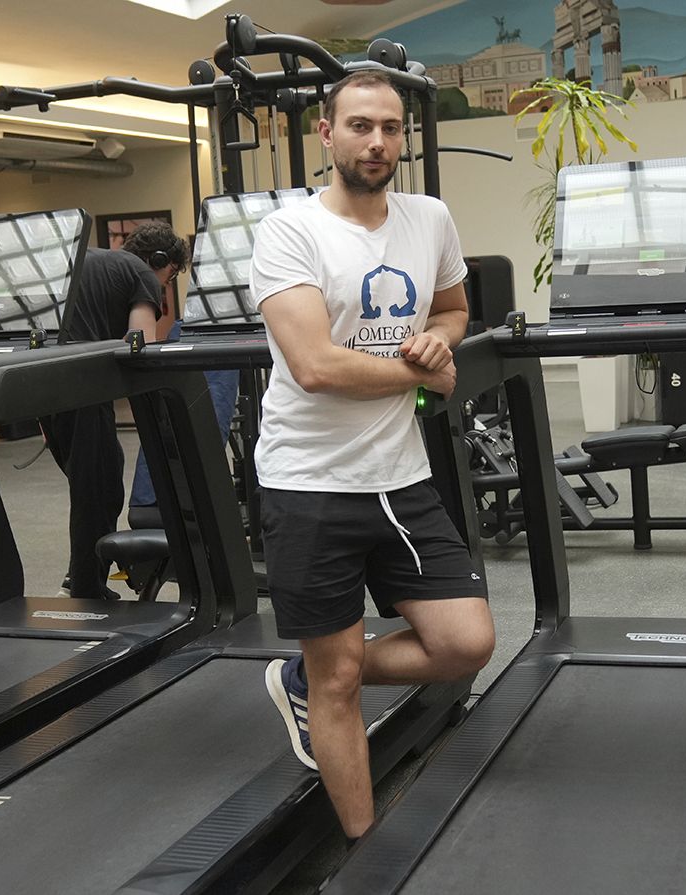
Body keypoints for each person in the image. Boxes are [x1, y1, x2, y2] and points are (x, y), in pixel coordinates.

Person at [252, 69, 495, 839]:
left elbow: (455, 306)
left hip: (400, 476)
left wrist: (438, 339)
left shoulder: (430, 218)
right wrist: (427, 373)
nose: (378, 141)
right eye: (360, 126)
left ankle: (306, 674)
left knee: (466, 642)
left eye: (391, 127)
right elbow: (316, 366)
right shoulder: (290, 230)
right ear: (326, 134)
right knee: (341, 679)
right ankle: (367, 849)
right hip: (309, 481)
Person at [43, 223, 188, 599]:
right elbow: (140, 350)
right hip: (82, 382)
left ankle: (82, 581)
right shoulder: (142, 274)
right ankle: (84, 589)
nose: (165, 288)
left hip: (39, 379)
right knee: (99, 491)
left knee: (93, 482)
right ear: (160, 261)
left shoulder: (81, 260)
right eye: (169, 277)